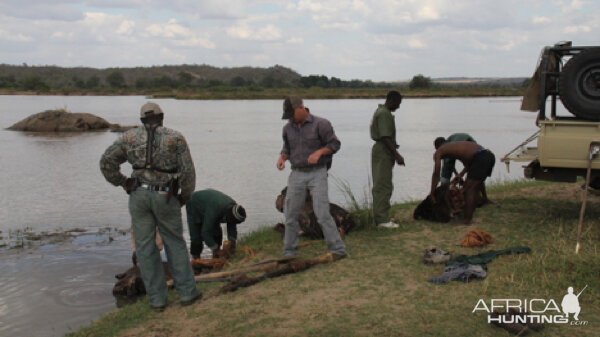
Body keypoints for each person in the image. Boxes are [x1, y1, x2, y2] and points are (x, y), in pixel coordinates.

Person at [100, 102, 199, 311]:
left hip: (139, 195)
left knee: (145, 247)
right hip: (166, 194)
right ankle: (188, 295)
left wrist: (123, 182)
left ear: (142, 120)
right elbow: (188, 173)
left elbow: (106, 161)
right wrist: (184, 197)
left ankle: (157, 300)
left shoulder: (129, 137)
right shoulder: (175, 137)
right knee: (175, 243)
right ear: (162, 117)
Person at [276, 96, 346, 260]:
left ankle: (338, 249)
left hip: (318, 173)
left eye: (292, 114)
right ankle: (289, 252)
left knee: (322, 213)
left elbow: (335, 145)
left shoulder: (322, 124)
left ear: (301, 108)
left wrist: (319, 152)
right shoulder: (287, 128)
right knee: (290, 214)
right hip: (296, 174)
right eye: (288, 116)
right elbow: (286, 148)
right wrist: (282, 158)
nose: (290, 119)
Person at [429, 141, 495, 224]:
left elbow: (436, 174)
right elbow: (468, 165)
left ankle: (467, 219)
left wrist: (432, 192)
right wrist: (460, 175)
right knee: (473, 186)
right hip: (489, 156)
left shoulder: (438, 152)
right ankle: (471, 208)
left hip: (480, 158)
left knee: (469, 190)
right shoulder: (455, 147)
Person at [370, 91, 405, 228]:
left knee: (382, 184)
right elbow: (385, 137)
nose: (398, 106)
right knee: (383, 185)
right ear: (392, 100)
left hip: (381, 150)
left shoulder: (380, 111)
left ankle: (382, 216)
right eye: (398, 103)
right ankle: (382, 220)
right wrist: (397, 155)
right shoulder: (384, 113)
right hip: (383, 150)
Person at [185, 189, 246, 259]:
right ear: (228, 216)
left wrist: (232, 244)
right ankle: (196, 263)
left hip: (210, 205)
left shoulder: (234, 210)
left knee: (217, 234)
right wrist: (216, 249)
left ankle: (216, 259)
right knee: (196, 238)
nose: (232, 223)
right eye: (231, 221)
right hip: (194, 204)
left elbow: (232, 226)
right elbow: (205, 232)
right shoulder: (215, 210)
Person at [434, 134, 491, 205]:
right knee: (475, 175)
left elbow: (467, 164)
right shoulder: (449, 145)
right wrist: (457, 174)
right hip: (474, 150)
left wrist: (460, 174)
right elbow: (449, 165)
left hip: (474, 153)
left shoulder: (452, 148)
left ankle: (483, 198)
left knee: (475, 175)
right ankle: (483, 198)